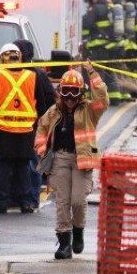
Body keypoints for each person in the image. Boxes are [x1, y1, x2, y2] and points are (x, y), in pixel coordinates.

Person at [35, 66, 108, 259]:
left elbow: (102, 98)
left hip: (82, 161)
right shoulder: (53, 111)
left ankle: (78, 231)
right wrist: (42, 150)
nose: (69, 98)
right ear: (60, 93)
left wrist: (93, 74)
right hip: (60, 159)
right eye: (65, 92)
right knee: (62, 202)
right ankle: (64, 242)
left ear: (81, 93)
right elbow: (41, 131)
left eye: (74, 93)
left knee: (78, 200)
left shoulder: (90, 110)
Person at [0, 43, 48, 214]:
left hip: (3, 129)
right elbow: (41, 105)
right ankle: (26, 202)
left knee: (4, 167)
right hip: (27, 130)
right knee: (23, 166)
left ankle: (2, 201)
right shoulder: (32, 76)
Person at [14, 39, 56, 209]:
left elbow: (49, 100)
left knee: (33, 165)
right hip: (15, 126)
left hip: (34, 127)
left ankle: (32, 199)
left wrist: (43, 123)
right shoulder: (11, 72)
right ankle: (19, 197)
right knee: (20, 165)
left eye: (17, 52)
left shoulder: (37, 75)